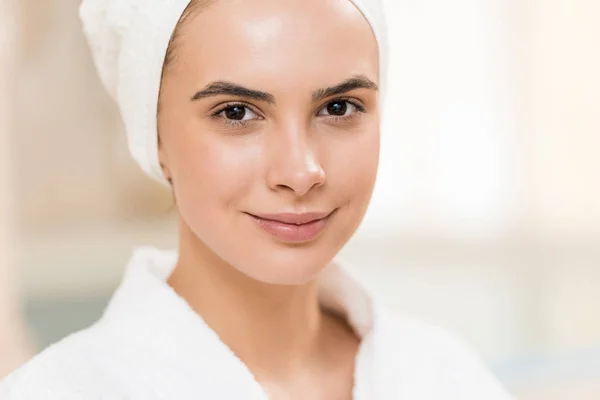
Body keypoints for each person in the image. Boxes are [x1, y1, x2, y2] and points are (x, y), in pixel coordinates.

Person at [0, 0, 514, 398]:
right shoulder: (60, 391)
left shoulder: (442, 376)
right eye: (236, 113)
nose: (301, 171)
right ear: (153, 134)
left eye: (339, 106)